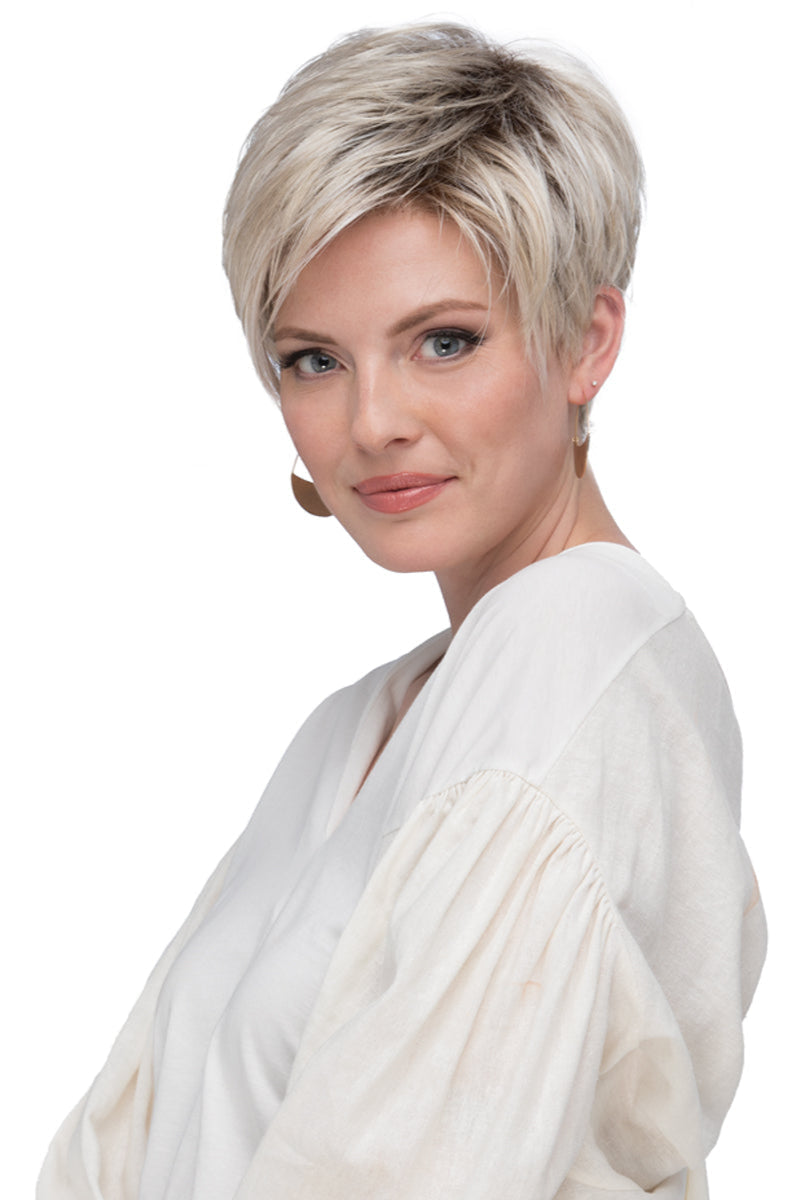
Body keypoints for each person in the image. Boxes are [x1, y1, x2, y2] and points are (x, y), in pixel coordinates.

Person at [38, 22, 766, 1200]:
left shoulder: (570, 649)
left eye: (443, 341)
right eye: (313, 359)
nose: (371, 422)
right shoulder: (363, 719)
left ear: (585, 343)